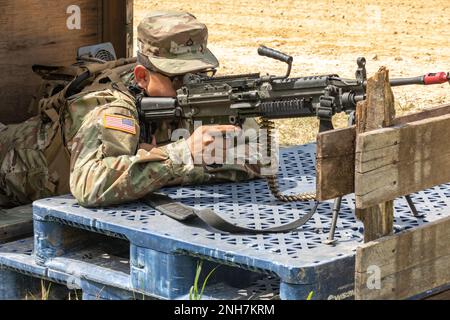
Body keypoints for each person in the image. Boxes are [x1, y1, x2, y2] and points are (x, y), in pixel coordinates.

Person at [0, 11, 261, 208]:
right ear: (142, 77)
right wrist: (180, 155)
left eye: (199, 73)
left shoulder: (187, 99)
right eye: (178, 77)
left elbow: (259, 156)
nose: (191, 85)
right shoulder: (113, 108)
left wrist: (163, 162)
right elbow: (89, 185)